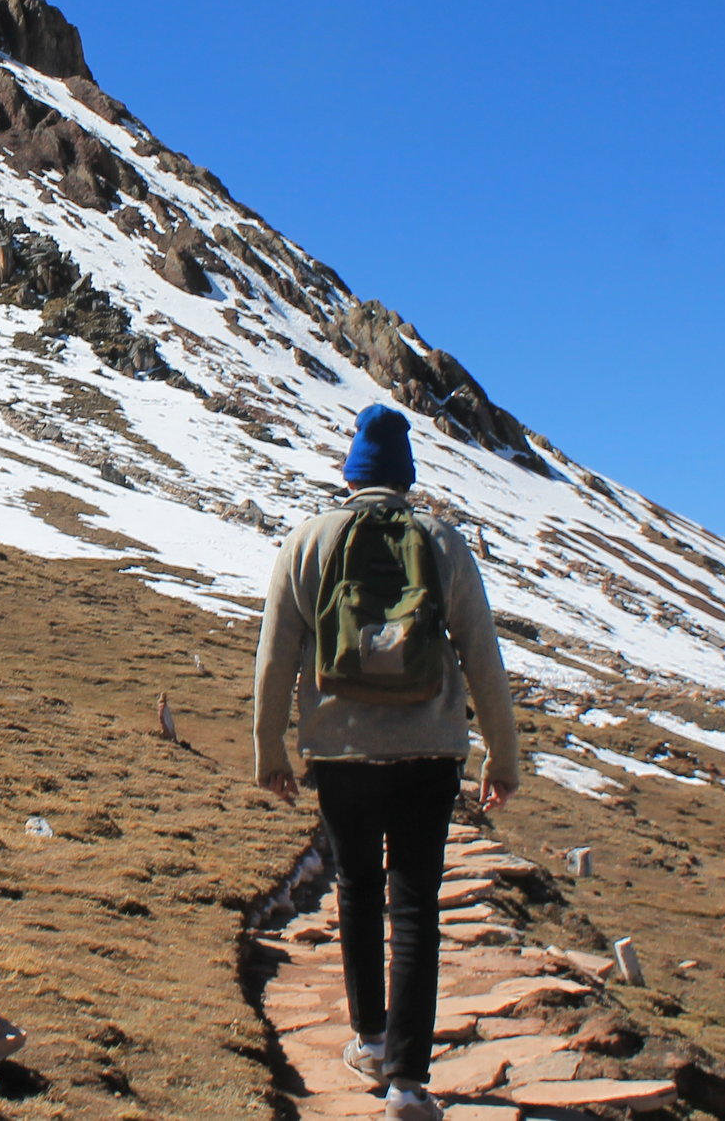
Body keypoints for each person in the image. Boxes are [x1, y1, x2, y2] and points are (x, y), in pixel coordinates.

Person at [253, 404, 520, 1121]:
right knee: (415, 905)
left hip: (340, 751)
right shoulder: (440, 541)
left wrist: (269, 748)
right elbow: (482, 655)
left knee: (358, 891)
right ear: (405, 476)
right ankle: (407, 1082)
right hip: (430, 749)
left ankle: (369, 1040)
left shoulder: (307, 541)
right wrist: (502, 754)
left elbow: (276, 654)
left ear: (351, 473)